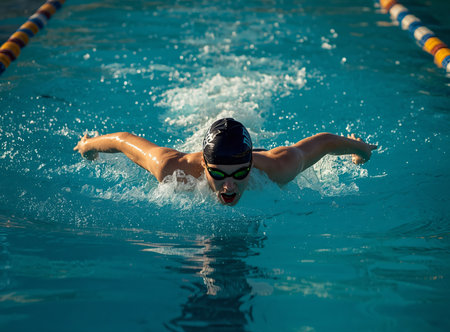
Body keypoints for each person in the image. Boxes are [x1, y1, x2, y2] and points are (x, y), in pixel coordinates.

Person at [74, 118, 377, 206]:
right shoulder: (173, 169)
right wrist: (88, 145)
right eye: (218, 173)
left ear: (251, 164)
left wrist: (361, 149)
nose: (229, 185)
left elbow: (322, 143)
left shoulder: (276, 167)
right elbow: (123, 140)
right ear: (204, 166)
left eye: (240, 172)